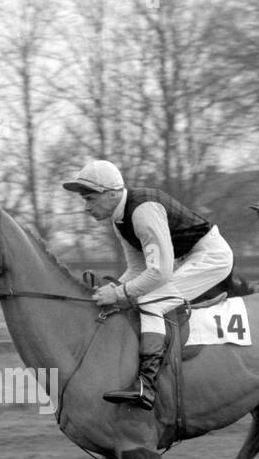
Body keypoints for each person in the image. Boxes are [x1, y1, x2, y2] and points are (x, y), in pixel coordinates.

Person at [63, 159, 233, 410]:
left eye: (90, 198)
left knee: (151, 302)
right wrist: (111, 290)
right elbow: (137, 268)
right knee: (139, 298)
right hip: (185, 258)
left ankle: (147, 386)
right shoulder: (119, 219)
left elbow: (159, 272)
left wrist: (119, 293)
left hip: (210, 257)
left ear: (111, 194)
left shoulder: (142, 211)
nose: (86, 207)